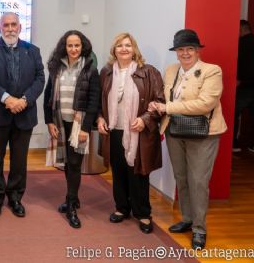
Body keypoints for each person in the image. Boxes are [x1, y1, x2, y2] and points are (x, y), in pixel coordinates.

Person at [150, 29, 227, 249]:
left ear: (197, 50)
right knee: (181, 178)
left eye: (190, 49)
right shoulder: (171, 70)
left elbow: (205, 104)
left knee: (198, 181)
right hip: (175, 131)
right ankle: (187, 218)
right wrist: (157, 106)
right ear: (176, 52)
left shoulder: (211, 71)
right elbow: (164, 98)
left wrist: (168, 107)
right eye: (181, 49)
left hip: (203, 133)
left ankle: (199, 229)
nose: (185, 53)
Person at [0, 12, 44, 218]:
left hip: (24, 114)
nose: (10, 28)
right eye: (6, 25)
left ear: (20, 27)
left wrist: (23, 100)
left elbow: (40, 79)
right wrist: (7, 99)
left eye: (14, 24)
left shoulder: (32, 51)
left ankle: (15, 197)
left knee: (19, 160)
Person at [97, 33, 164, 234]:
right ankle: (121, 208)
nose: (124, 49)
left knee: (138, 174)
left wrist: (145, 119)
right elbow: (99, 102)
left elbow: (160, 101)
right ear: (114, 50)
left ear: (134, 49)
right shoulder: (106, 72)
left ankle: (143, 213)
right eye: (119, 46)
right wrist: (100, 118)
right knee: (118, 172)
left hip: (138, 132)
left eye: (128, 45)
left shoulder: (149, 72)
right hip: (114, 130)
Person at [43, 30, 100, 228]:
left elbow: (94, 100)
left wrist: (86, 127)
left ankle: (71, 206)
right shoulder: (56, 66)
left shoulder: (90, 68)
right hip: (60, 121)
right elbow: (48, 95)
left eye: (77, 45)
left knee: (75, 164)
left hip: (78, 124)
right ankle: (73, 198)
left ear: (82, 46)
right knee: (67, 163)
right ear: (64, 47)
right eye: (70, 45)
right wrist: (49, 121)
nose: (74, 49)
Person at [233, 20, 254, 152]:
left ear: (241, 30)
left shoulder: (240, 44)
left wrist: (240, 81)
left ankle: (234, 144)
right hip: (249, 84)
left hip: (243, 86)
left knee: (233, 113)